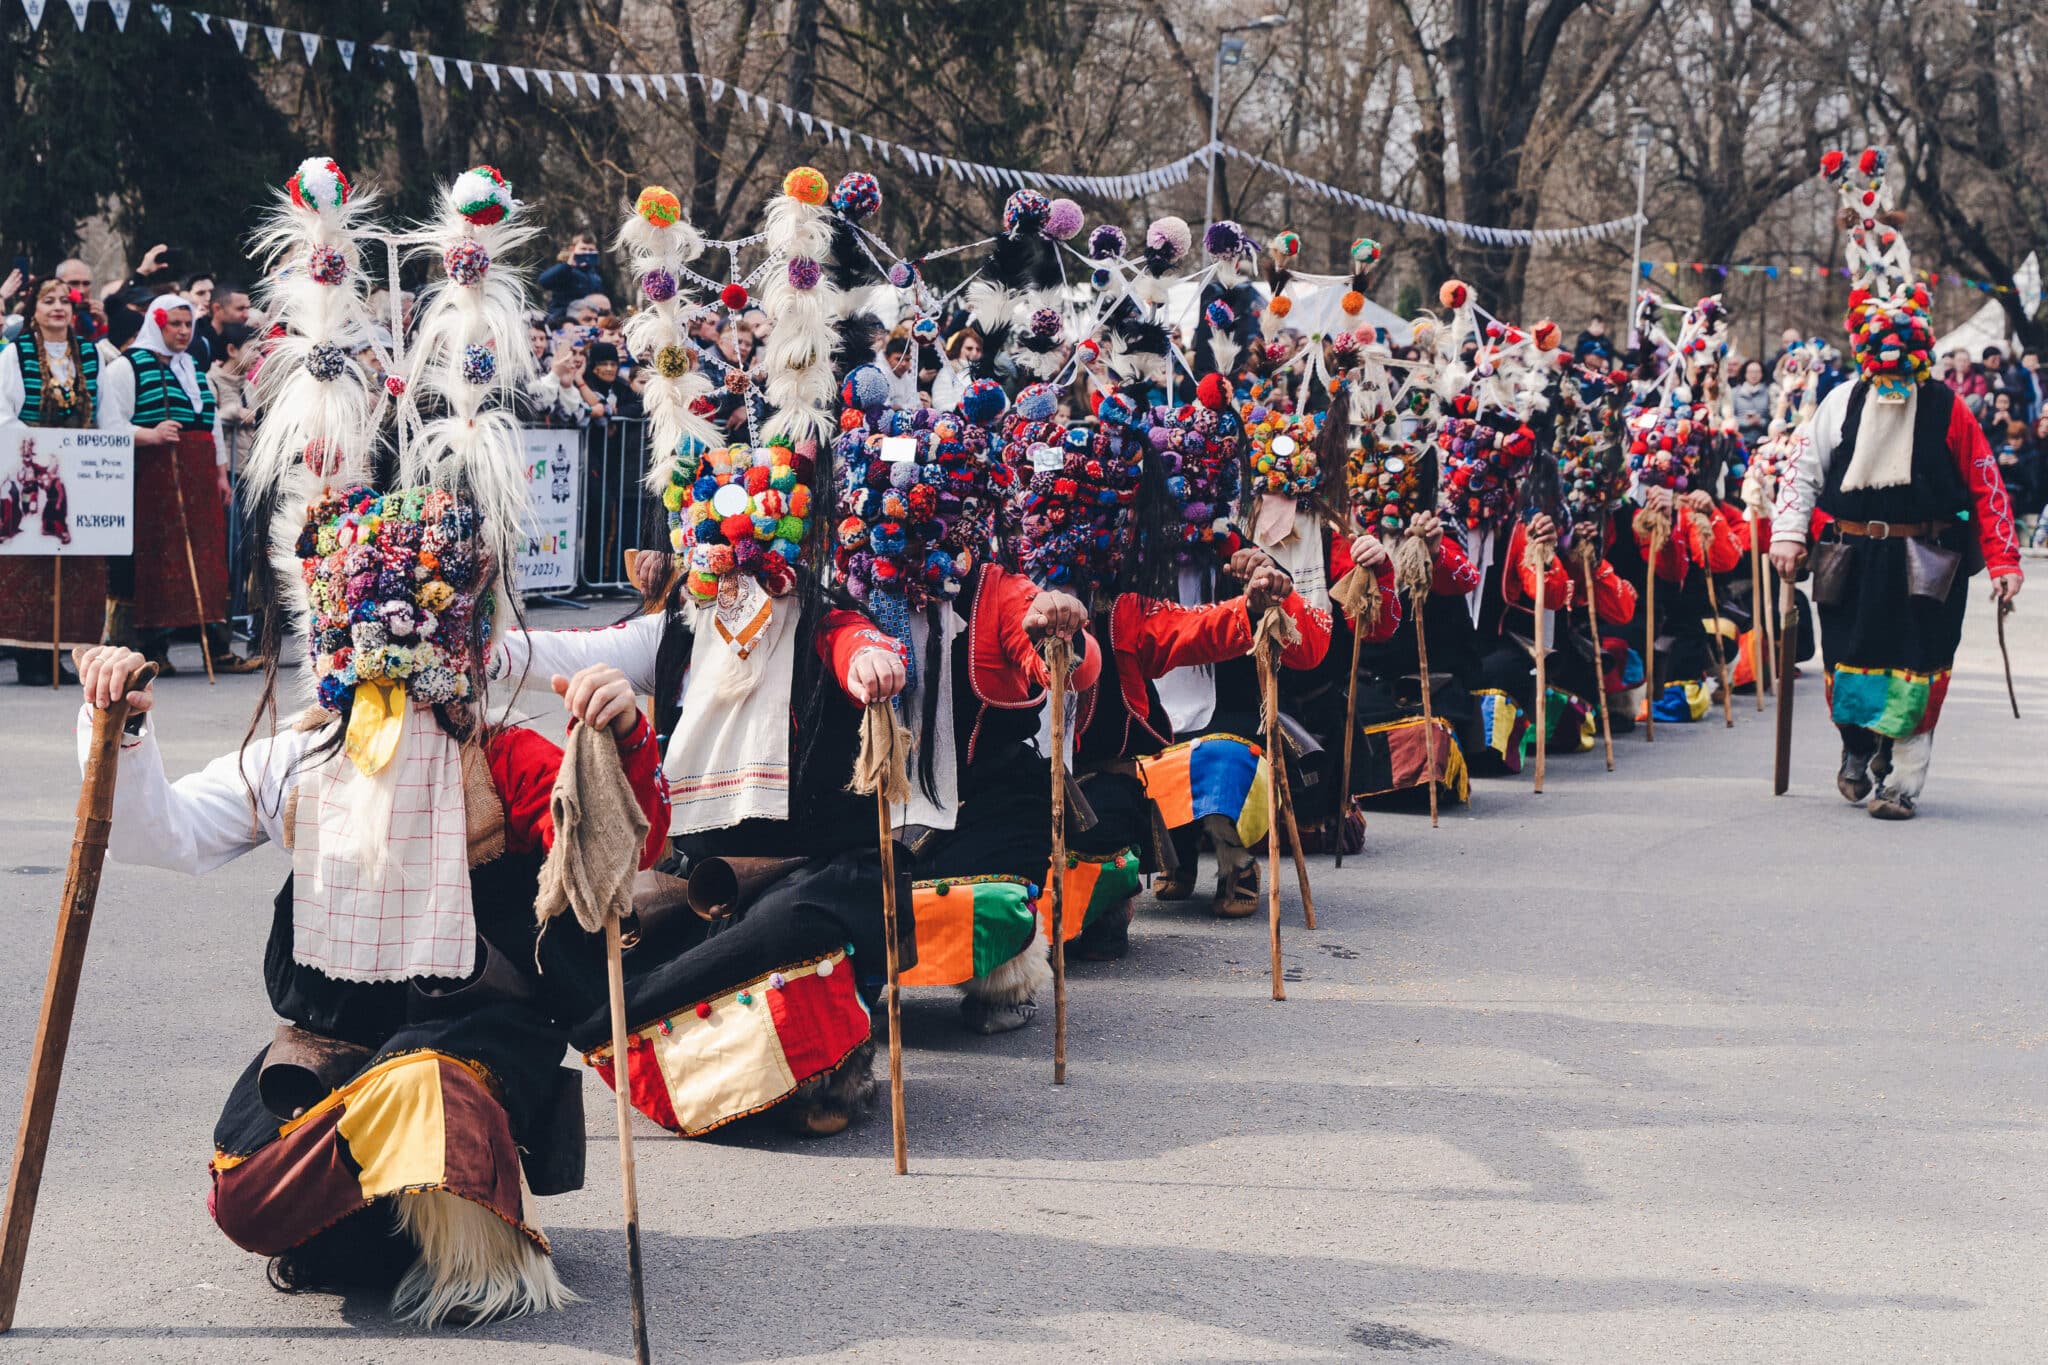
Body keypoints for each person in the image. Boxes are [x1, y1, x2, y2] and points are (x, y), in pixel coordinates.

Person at [70, 509, 669, 1325]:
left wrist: (623, 734)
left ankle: (468, 1252)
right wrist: (122, 727)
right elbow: (164, 831)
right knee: (247, 1183)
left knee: (425, 1084)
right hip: (336, 1047)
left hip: (473, 1040)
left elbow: (620, 846)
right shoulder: (303, 754)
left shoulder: (505, 758)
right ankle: (374, 1220)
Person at [1771, 148, 2023, 819]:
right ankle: (1858, 747)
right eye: (1880, 367)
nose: (1890, 381)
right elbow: (1803, 470)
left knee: (1916, 668)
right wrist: (1790, 534)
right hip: (1850, 555)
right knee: (1849, 661)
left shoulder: (1950, 409)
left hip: (1928, 557)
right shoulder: (1840, 402)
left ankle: (1902, 779)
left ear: (1917, 358)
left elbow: (1986, 487)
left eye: (1900, 368)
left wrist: (2002, 561)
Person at [97, 294, 256, 672]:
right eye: (176, 325)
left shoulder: (191, 369)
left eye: (188, 325)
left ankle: (217, 649)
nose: (184, 332)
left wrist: (220, 474)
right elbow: (110, 424)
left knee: (208, 561)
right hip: (151, 481)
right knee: (154, 562)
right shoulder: (126, 368)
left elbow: (211, 426)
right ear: (158, 324)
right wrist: (148, 435)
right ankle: (152, 651)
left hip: (198, 481)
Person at [0, 277, 105, 684]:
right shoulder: (15, 354)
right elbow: (4, 413)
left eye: (65, 301)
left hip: (76, 469)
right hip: (29, 466)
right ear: (35, 311)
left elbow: (107, 417)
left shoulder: (92, 354)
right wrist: (40, 445)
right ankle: (31, 656)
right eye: (49, 301)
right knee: (32, 556)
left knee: (75, 557)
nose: (58, 307)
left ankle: (70, 651)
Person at [537, 232, 602, 320]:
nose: (587, 252)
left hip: (587, 320)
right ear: (572, 249)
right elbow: (543, 281)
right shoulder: (564, 269)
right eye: (583, 249)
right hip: (562, 319)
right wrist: (568, 265)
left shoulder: (595, 277)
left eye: (591, 250)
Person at [1730, 357, 1773, 448]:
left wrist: (1760, 421)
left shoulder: (1769, 392)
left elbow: (1772, 417)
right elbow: (1729, 417)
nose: (1754, 375)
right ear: (1745, 373)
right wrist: (1747, 423)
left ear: (1762, 373)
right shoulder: (1734, 393)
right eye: (1751, 372)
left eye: (1757, 372)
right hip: (1739, 440)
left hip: (1763, 440)